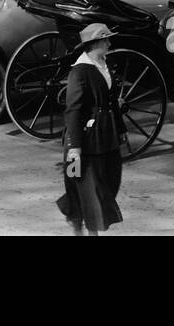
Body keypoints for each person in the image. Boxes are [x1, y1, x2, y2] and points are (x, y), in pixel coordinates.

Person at [57, 23, 125, 236]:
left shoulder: (105, 64)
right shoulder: (79, 72)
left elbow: (112, 100)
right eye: (106, 40)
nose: (109, 43)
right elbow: (73, 110)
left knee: (110, 180)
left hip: (106, 137)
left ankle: (76, 219)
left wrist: (121, 128)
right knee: (81, 184)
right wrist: (74, 147)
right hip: (81, 144)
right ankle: (85, 228)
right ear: (96, 42)